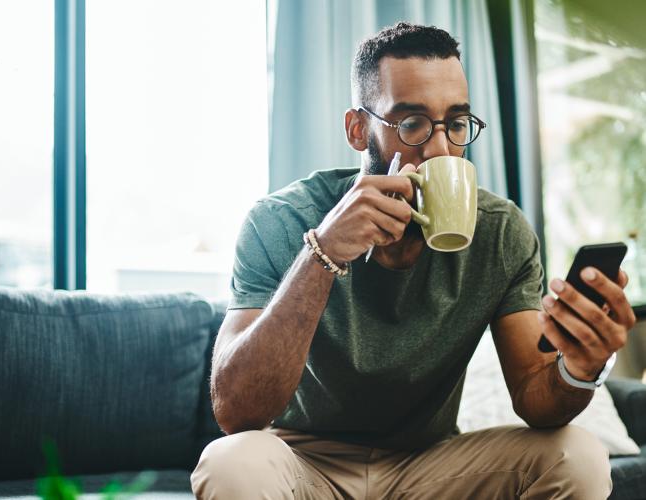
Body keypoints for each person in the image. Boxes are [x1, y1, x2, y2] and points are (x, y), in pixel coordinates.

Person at [191, 22, 636, 499]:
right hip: (305, 461)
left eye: (457, 124)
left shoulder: (500, 231)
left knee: (578, 456)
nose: (439, 149)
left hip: (432, 465)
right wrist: (322, 253)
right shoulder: (280, 221)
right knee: (230, 463)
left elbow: (535, 397)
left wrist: (579, 367)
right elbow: (236, 412)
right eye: (411, 124)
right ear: (358, 129)